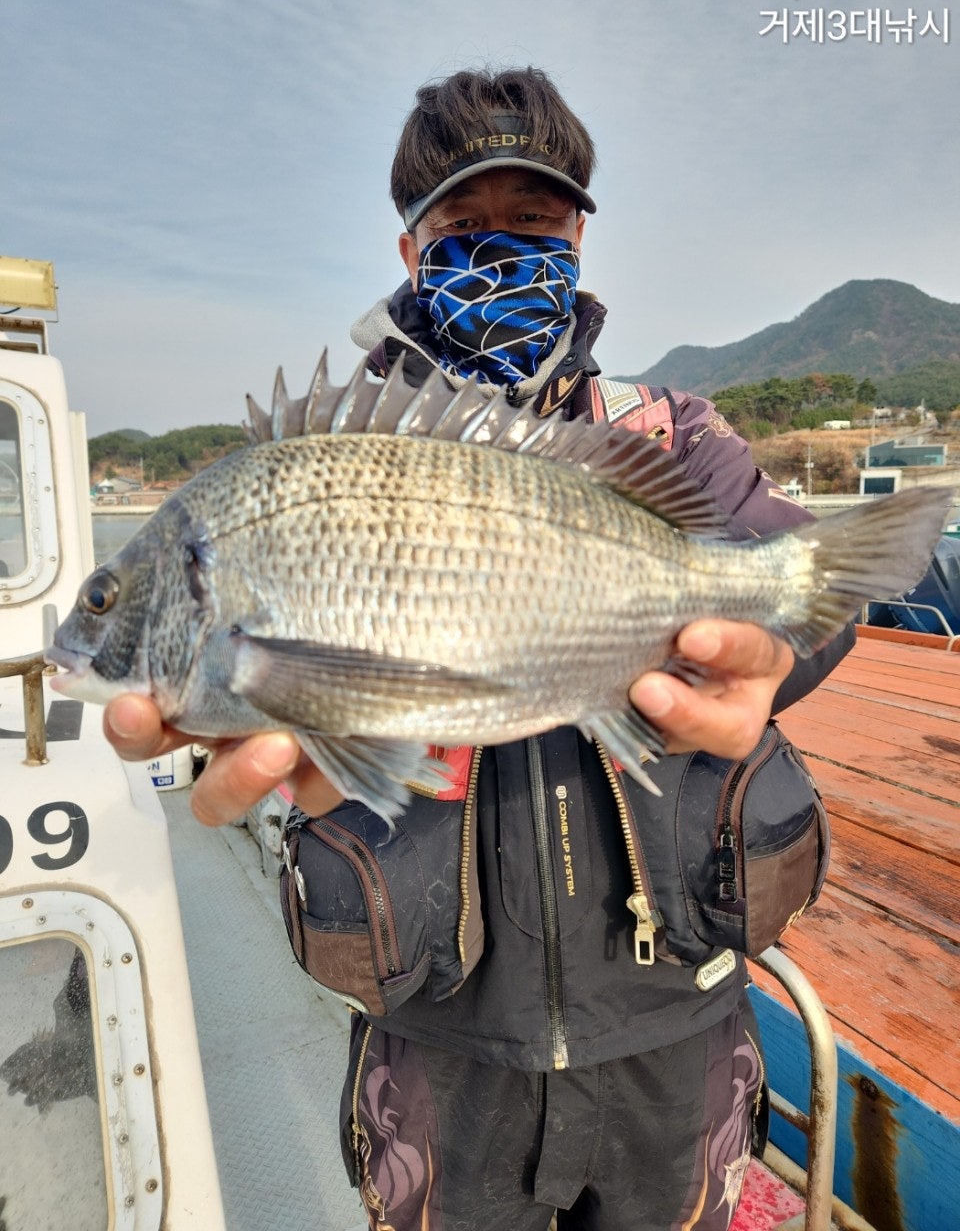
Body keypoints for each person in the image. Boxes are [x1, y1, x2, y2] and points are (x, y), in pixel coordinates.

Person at [104, 67, 853, 1230]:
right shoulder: (330, 455)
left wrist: (763, 658)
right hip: (439, 1055)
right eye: (463, 227)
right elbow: (262, 736)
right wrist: (240, 722)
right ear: (410, 250)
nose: (501, 250)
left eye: (534, 223)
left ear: (580, 235)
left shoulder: (674, 441)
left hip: (679, 1027)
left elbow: (821, 595)